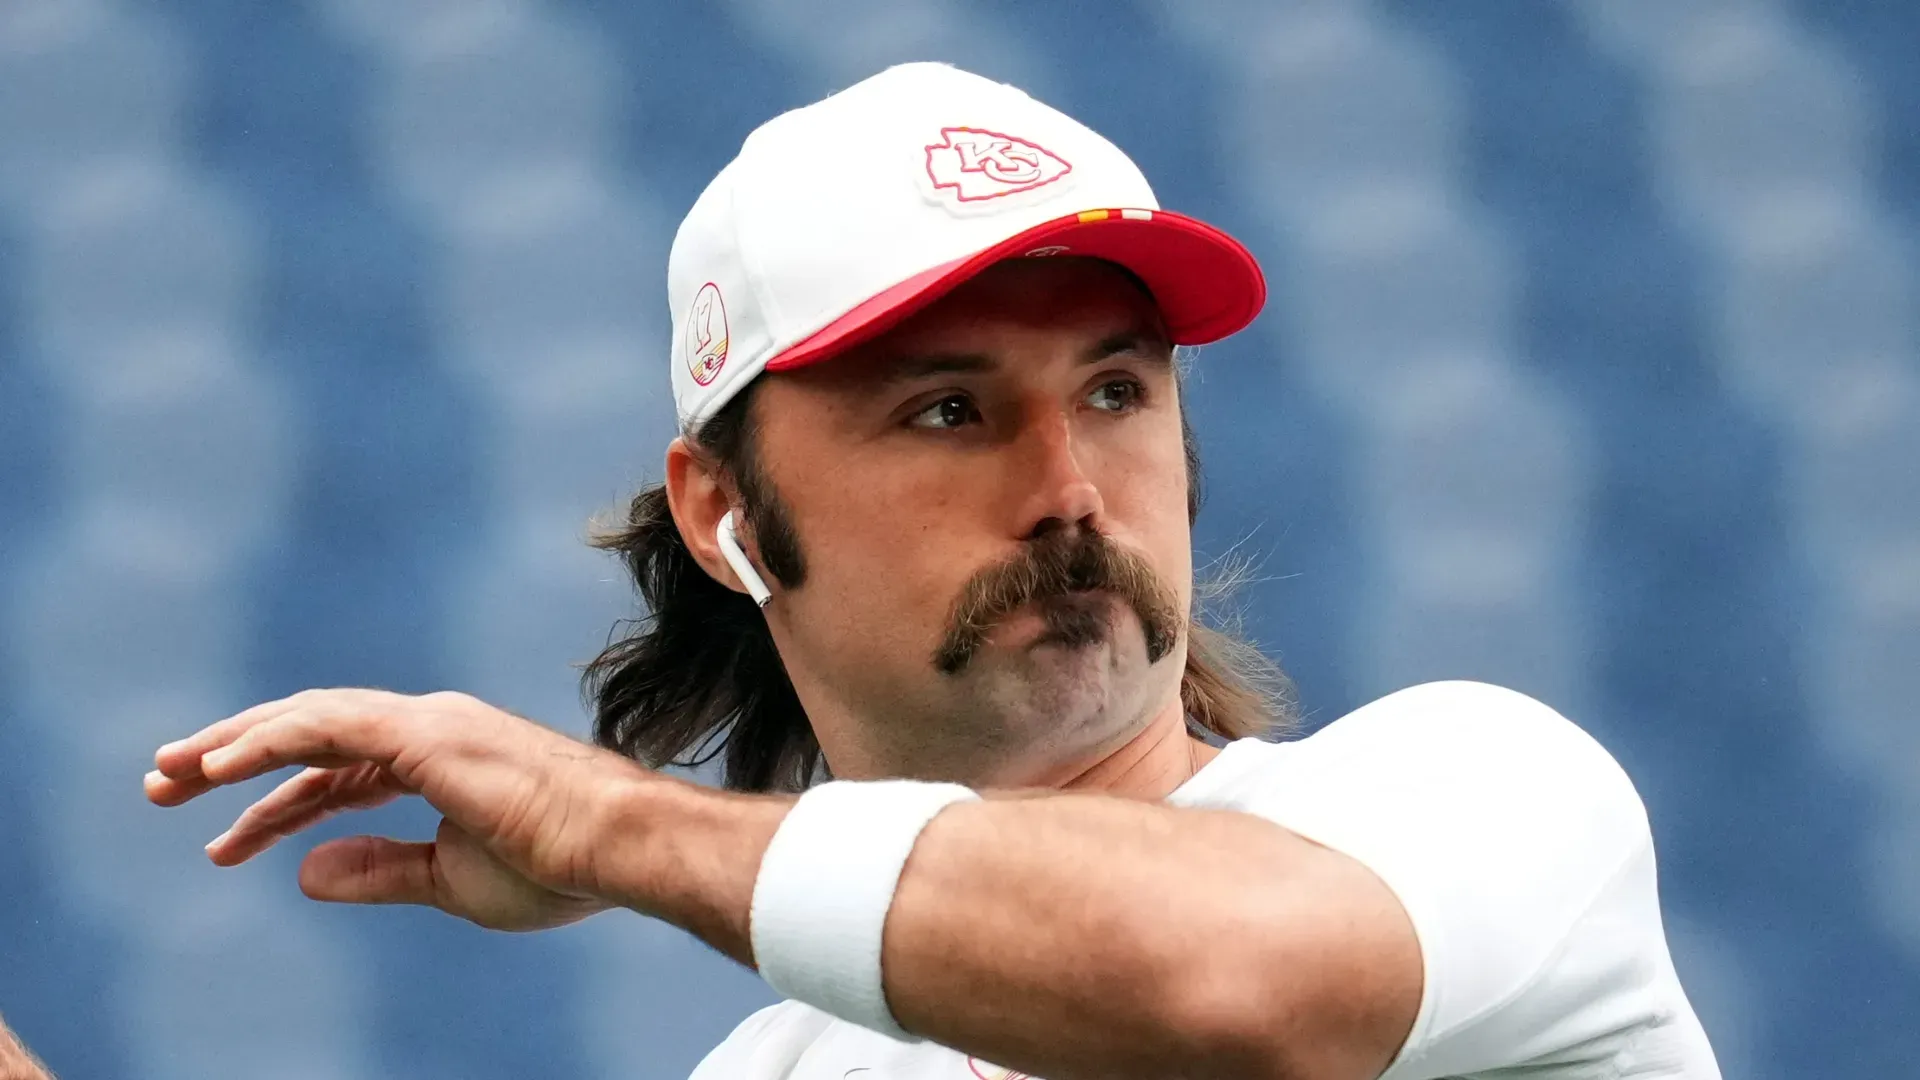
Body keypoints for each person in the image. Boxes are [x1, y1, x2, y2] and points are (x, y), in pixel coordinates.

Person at [10, 60, 1712, 1080]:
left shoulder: (1489, 797)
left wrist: (612, 825)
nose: (1070, 491)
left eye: (1117, 392)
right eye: (950, 410)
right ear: (722, 515)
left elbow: (1227, 988)